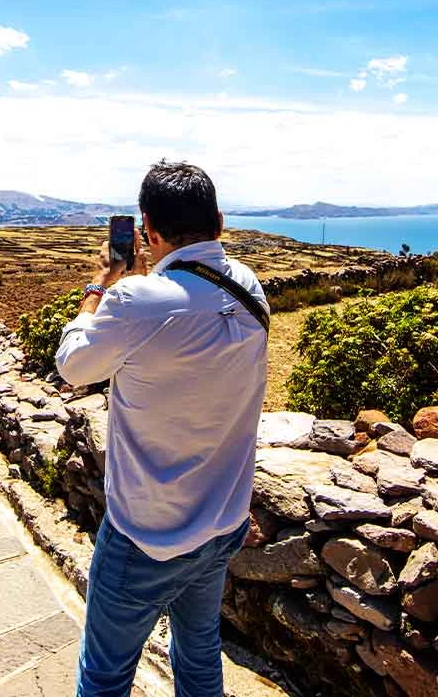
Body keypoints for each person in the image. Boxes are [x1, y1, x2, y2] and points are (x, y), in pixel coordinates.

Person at [55, 161, 269, 697]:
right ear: (219, 220)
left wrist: (99, 284)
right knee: (198, 658)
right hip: (222, 522)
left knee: (104, 677)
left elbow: (73, 367)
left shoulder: (136, 299)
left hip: (145, 535)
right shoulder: (247, 284)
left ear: (147, 228)